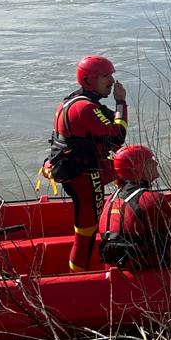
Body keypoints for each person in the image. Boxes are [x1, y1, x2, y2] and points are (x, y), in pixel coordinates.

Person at [47, 54, 128, 272]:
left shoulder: (76, 102)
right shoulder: (85, 108)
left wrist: (117, 109)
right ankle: (79, 278)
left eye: (111, 76)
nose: (111, 81)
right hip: (85, 177)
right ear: (89, 80)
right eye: (105, 77)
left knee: (128, 169)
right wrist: (121, 102)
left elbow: (108, 123)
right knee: (86, 233)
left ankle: (123, 220)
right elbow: (117, 137)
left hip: (80, 173)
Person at [97, 145, 171, 268]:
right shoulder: (152, 199)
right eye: (150, 161)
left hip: (117, 266)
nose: (156, 163)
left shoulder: (111, 199)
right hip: (147, 268)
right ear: (135, 169)